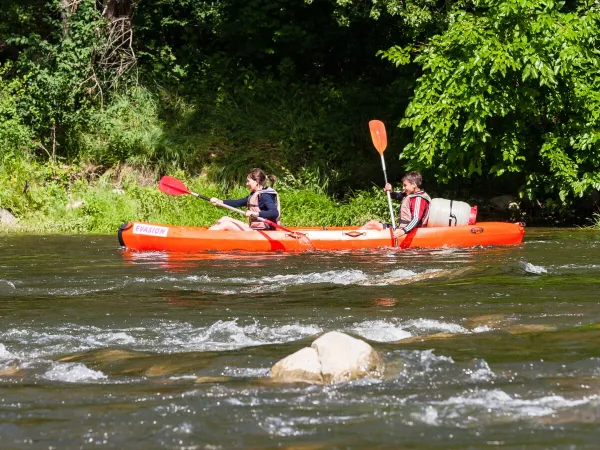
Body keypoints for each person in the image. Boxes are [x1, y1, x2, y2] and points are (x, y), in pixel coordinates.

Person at [361, 171, 431, 238]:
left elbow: (415, 219)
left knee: (372, 225)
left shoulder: (419, 199)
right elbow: (398, 195)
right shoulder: (411, 195)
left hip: (409, 231)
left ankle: (353, 238)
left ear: (414, 184)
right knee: (372, 224)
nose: (403, 188)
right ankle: (353, 235)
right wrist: (390, 191)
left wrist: (403, 231)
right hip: (402, 229)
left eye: (405, 185)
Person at [208, 168, 280, 231]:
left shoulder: (265, 196)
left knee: (227, 224)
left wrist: (255, 214)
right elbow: (238, 202)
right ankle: (207, 235)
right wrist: (219, 202)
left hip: (264, 231)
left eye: (248, 181)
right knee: (224, 218)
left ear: (256, 181)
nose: (246, 184)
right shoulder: (254, 194)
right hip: (255, 229)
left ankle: (205, 238)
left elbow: (274, 212)